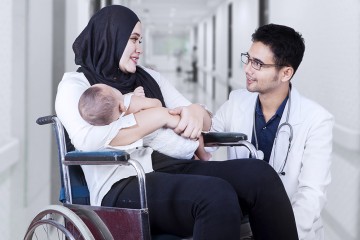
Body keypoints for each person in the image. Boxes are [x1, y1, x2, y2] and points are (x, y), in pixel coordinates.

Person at [55, 5, 299, 239]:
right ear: (111, 36)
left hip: (173, 166)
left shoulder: (149, 77)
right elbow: (88, 140)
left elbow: (204, 119)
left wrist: (194, 111)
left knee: (259, 174)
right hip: (124, 182)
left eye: (141, 40)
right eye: (133, 39)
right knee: (215, 195)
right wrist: (157, 117)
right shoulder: (76, 85)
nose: (139, 48)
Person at [211, 23, 334, 240]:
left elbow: (311, 194)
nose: (247, 69)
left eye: (258, 63)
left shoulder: (316, 120)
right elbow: (206, 140)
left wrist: (280, 232)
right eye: (248, 59)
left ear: (286, 73)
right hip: (241, 226)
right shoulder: (236, 102)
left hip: (291, 228)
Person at [78, 83, 211, 160]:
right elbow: (157, 104)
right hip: (178, 140)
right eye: (112, 89)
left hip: (165, 150)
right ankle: (202, 154)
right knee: (193, 129)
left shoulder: (114, 126)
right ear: (121, 106)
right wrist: (138, 99)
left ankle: (196, 156)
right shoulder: (130, 102)